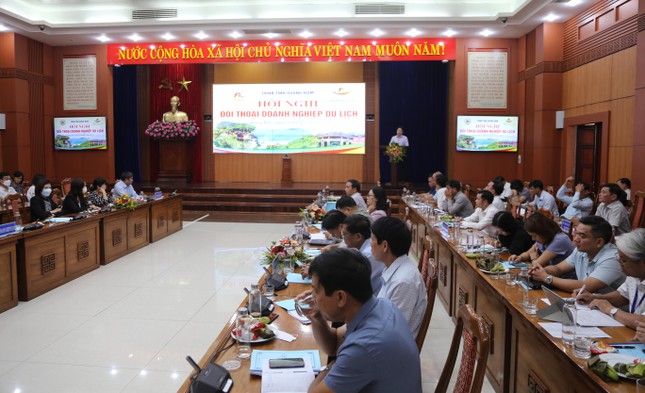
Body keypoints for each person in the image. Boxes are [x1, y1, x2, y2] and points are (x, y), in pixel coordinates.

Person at [297, 248, 422, 393]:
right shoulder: (383, 305)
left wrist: (331, 366)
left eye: (316, 291)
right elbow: (333, 344)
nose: (312, 297)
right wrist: (317, 317)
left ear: (340, 298)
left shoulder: (364, 347)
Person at [528, 216, 625, 294]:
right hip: (587, 303)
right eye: (575, 233)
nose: (575, 239)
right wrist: (540, 271)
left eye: (582, 236)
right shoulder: (580, 250)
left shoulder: (613, 258)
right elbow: (558, 269)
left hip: (611, 312)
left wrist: (546, 277)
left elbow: (585, 286)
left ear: (599, 242)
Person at [575, 229, 645, 329]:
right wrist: (594, 298)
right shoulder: (634, 275)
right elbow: (623, 295)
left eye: (624, 260)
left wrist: (611, 310)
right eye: (619, 258)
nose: (619, 263)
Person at [370, 216, 427, 337]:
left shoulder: (403, 282)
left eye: (372, 239)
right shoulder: (392, 268)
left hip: (389, 349)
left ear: (385, 246)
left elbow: (391, 331)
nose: (370, 245)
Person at [509, 213, 575, 272]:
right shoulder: (544, 238)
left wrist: (534, 258)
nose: (533, 239)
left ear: (543, 231)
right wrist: (519, 257)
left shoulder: (559, 240)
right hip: (550, 276)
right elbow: (529, 253)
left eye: (534, 236)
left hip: (563, 280)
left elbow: (537, 264)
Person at [342, 214, 385, 295]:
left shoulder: (367, 255)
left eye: (345, 234)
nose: (343, 238)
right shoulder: (367, 245)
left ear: (358, 236)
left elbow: (353, 283)